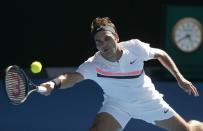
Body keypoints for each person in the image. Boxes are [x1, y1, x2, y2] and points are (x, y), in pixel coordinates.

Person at [40, 17, 203, 131]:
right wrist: (53, 84)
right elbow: (71, 78)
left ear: (116, 38)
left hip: (148, 101)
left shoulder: (135, 48)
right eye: (98, 41)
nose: (103, 44)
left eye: (107, 38)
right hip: (117, 105)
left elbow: (160, 54)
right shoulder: (93, 65)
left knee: (188, 130)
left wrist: (180, 78)